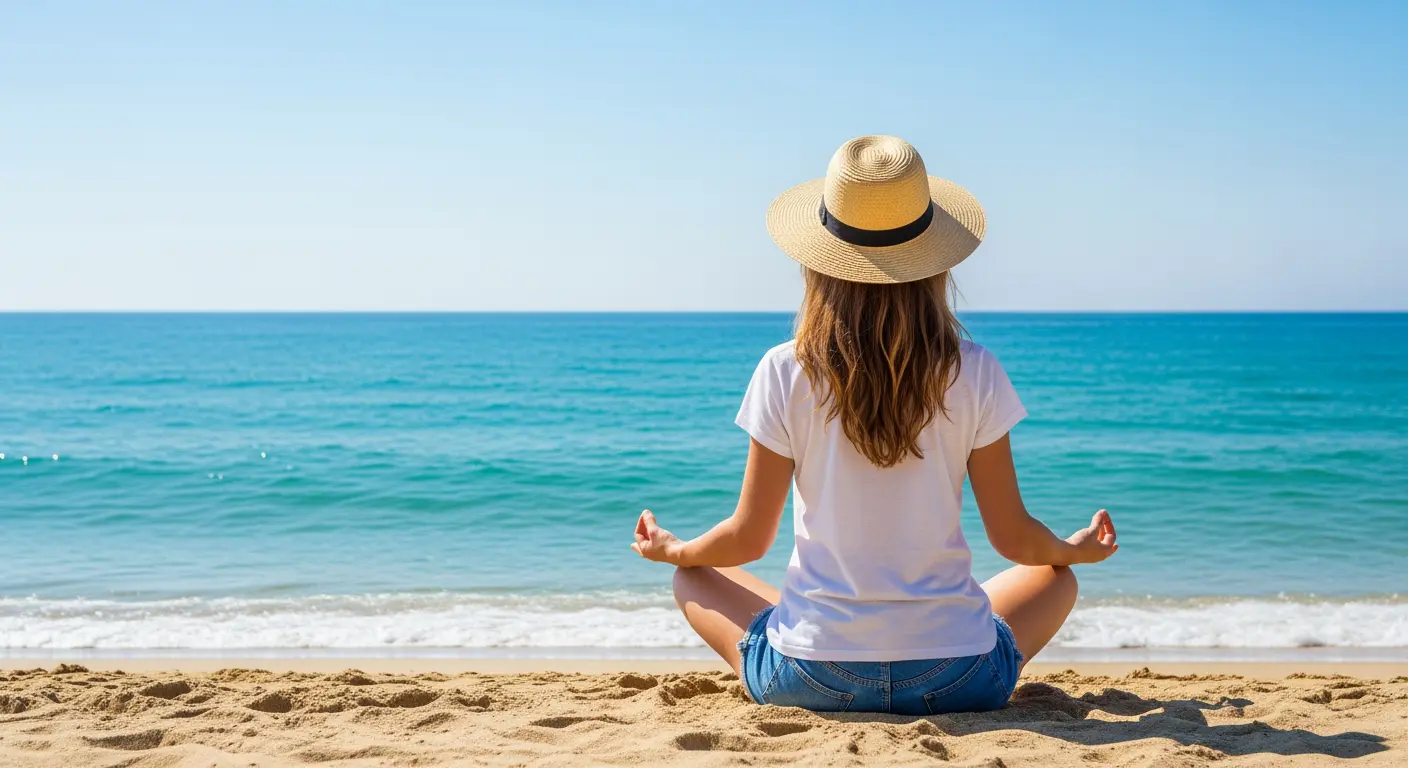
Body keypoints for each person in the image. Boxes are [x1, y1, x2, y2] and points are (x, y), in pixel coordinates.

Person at [630, 135, 1119, 715]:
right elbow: (1013, 538)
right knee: (1057, 577)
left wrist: (676, 550)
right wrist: (1074, 549)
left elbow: (750, 538)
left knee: (695, 578)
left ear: (819, 261)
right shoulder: (976, 370)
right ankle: (942, 627)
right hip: (957, 679)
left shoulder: (785, 369)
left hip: (814, 675)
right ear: (934, 264)